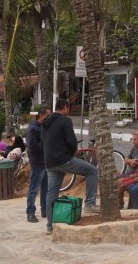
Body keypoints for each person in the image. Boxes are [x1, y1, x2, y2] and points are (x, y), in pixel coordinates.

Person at [43, 98, 98, 234]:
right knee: (92, 171)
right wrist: (72, 152)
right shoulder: (65, 120)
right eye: (68, 109)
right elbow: (72, 141)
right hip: (64, 159)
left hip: (49, 162)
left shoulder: (45, 123)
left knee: (52, 193)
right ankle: (90, 204)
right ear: (66, 108)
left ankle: (50, 226)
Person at [25, 106, 50, 223]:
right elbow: (32, 146)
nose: (48, 118)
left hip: (45, 162)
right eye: (47, 116)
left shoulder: (43, 127)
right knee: (34, 189)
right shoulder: (33, 129)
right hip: (37, 163)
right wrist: (46, 147)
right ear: (41, 115)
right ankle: (30, 213)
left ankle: (45, 210)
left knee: (45, 188)